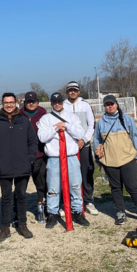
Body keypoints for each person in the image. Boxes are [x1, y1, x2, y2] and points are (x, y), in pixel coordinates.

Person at [0, 93, 38, 242]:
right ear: (2, 104)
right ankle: (5, 227)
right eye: (6, 103)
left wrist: (30, 159)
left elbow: (32, 142)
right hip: (5, 168)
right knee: (6, 197)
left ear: (16, 103)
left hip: (23, 167)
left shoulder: (24, 122)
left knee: (21, 195)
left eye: (11, 102)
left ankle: (22, 224)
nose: (9, 105)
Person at [93, 95, 137, 225]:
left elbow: (136, 137)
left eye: (112, 104)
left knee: (132, 186)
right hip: (110, 161)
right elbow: (97, 141)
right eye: (107, 104)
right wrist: (99, 159)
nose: (110, 106)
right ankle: (120, 212)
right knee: (115, 188)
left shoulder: (127, 119)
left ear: (116, 104)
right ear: (104, 106)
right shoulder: (101, 122)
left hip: (127, 158)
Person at [38, 92, 90, 229]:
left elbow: (80, 134)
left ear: (63, 102)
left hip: (71, 157)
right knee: (53, 188)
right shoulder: (45, 118)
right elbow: (42, 137)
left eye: (59, 101)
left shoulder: (72, 117)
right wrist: (56, 128)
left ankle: (77, 212)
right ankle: (52, 213)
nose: (57, 104)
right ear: (51, 103)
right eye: (54, 102)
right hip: (54, 158)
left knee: (75, 185)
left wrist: (66, 126)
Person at [63, 81, 98, 216]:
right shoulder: (63, 106)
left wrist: (84, 140)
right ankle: (70, 201)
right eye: (70, 90)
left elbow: (91, 125)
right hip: (69, 146)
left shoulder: (85, 105)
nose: (73, 92)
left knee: (86, 172)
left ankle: (88, 200)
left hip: (84, 145)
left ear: (79, 91)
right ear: (67, 92)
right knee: (69, 174)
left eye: (75, 90)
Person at [18, 91, 48, 210]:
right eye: (28, 102)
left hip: (39, 156)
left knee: (41, 185)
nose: (31, 104)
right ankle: (19, 213)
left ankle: (43, 209)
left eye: (33, 101)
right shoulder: (19, 115)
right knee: (21, 187)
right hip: (23, 157)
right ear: (25, 103)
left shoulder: (44, 115)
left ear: (37, 102)